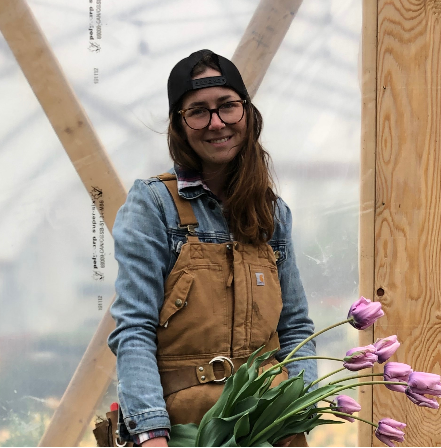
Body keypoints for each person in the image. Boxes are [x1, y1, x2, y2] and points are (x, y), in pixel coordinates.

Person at [108, 49, 317, 448]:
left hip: (270, 428)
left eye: (227, 106)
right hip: (185, 428)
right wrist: (151, 433)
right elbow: (134, 329)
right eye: (198, 111)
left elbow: (296, 329)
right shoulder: (154, 205)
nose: (217, 123)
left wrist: (297, 413)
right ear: (179, 124)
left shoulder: (272, 214)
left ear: (247, 112)